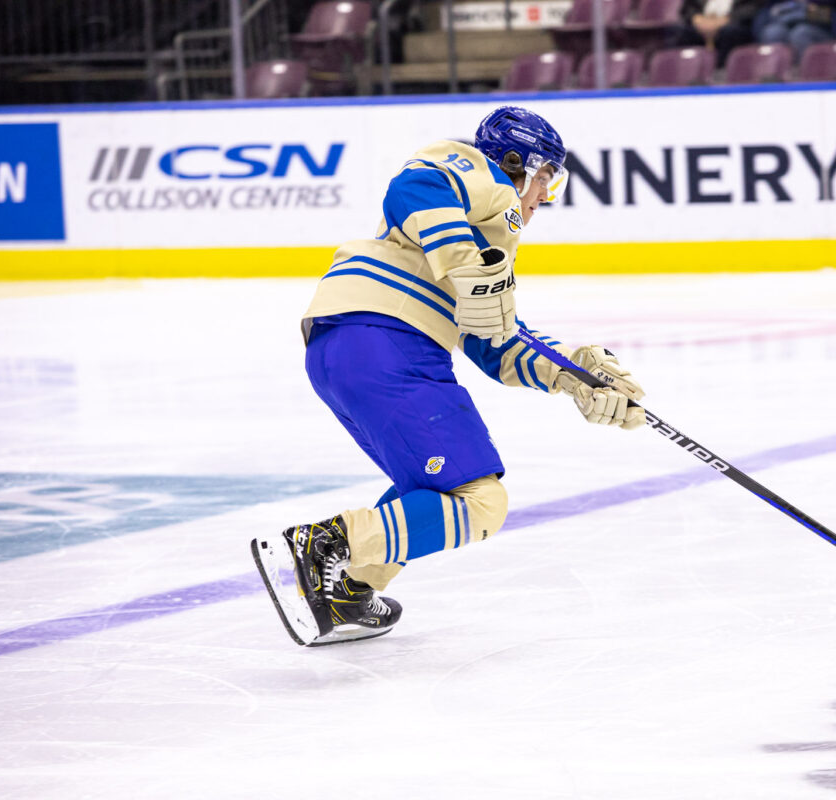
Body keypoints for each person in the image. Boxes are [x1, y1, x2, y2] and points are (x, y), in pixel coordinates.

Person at [260, 106, 646, 645]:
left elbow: (495, 342)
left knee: (434, 487)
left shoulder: (481, 237)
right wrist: (467, 260)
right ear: (519, 162)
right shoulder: (483, 179)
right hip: (387, 343)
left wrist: (574, 374)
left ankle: (347, 590)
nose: (543, 196)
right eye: (544, 178)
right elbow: (414, 186)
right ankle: (325, 545)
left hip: (350, 347)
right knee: (480, 503)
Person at [669, 0, 764, 69]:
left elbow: (752, 8)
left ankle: (722, 72)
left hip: (734, 24)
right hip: (701, 23)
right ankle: (687, 73)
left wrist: (724, 21)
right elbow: (688, 8)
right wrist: (696, 19)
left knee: (730, 33)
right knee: (680, 32)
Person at [752, 0, 836, 60]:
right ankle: (774, 76)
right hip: (785, 28)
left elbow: (834, 16)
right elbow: (765, 16)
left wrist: (806, 12)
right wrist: (779, 13)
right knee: (773, 32)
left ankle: (808, 74)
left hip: (826, 33)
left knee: (801, 33)